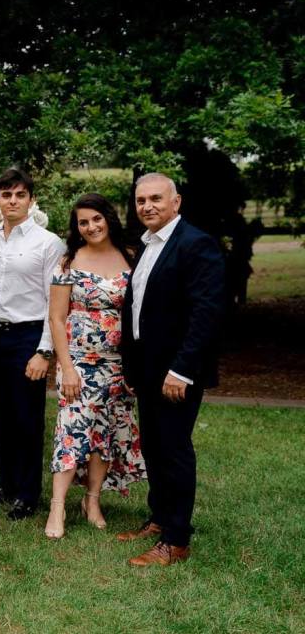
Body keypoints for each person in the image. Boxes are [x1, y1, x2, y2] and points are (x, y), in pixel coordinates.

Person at [120, 173, 225, 567]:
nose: (147, 206)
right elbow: (139, 310)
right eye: (141, 200)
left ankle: (176, 540)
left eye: (156, 199)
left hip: (176, 372)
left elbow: (206, 313)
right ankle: (160, 517)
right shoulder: (148, 246)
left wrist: (182, 370)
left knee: (175, 449)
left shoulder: (196, 244)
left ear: (176, 202)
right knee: (153, 446)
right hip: (147, 370)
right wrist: (133, 366)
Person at [44, 193, 146, 539]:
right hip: (80, 364)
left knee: (105, 433)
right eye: (83, 222)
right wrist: (66, 367)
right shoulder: (68, 261)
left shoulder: (130, 257)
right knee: (72, 431)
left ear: (108, 218)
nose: (90, 227)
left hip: (118, 363)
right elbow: (57, 319)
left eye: (96, 219)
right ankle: (57, 506)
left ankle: (92, 500)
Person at [0, 168, 65, 521]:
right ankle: (7, 484)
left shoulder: (48, 243)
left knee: (27, 418)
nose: (12, 201)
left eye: (19, 195)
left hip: (28, 336)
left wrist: (44, 350)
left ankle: (28, 494)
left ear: (30, 200)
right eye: (5, 195)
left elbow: (55, 302)